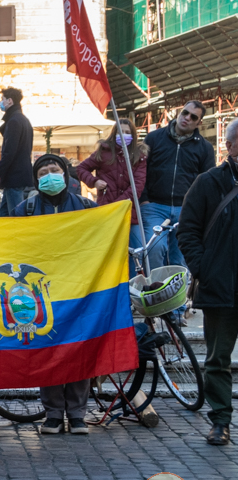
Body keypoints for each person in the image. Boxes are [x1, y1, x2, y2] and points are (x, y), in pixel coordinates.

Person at [11, 154, 97, 434]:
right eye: (43, 172)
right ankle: (53, 414)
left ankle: (77, 414)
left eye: (54, 169)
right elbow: (7, 240)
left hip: (79, 288)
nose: (49, 175)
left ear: (65, 174)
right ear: (36, 180)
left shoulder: (87, 207)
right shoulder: (24, 209)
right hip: (41, 291)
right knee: (47, 350)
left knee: (78, 349)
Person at [177, 119, 238, 446]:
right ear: (229, 146)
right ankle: (220, 421)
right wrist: (204, 269)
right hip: (220, 286)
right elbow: (187, 230)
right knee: (218, 359)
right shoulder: (208, 182)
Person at [140, 101, 214, 274]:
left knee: (181, 257)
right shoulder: (153, 138)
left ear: (199, 122)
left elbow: (208, 182)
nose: (187, 118)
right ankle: (156, 288)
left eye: (193, 117)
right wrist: (144, 200)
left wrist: (199, 209)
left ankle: (178, 291)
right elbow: (140, 171)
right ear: (179, 113)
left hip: (185, 209)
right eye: (185, 113)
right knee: (154, 249)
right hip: (154, 207)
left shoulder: (205, 148)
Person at [76, 117, 147, 270]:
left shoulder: (139, 156)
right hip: (106, 211)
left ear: (133, 135)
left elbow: (137, 186)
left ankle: (135, 282)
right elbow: (81, 168)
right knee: (108, 252)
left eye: (127, 132)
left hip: (130, 213)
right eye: (121, 132)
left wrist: (118, 205)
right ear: (114, 133)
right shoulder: (103, 152)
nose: (124, 135)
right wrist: (94, 182)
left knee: (137, 253)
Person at [0, 87, 34, 216]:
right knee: (4, 214)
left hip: (14, 176)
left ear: (10, 101)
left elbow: (9, 152)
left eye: (2, 99)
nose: (1, 102)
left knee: (15, 216)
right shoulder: (23, 120)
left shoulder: (14, 121)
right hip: (19, 175)